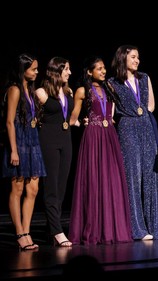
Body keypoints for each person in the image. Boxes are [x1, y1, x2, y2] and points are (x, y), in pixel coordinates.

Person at [68, 56, 133, 245]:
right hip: (93, 137)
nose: (103, 71)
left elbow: (110, 112)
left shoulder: (108, 88)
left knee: (111, 180)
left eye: (104, 68)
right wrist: (82, 122)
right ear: (89, 72)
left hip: (109, 136)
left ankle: (112, 229)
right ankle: (93, 229)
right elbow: (73, 117)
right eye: (99, 69)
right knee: (95, 180)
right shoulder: (83, 90)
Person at [108, 45, 158, 240]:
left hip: (146, 125)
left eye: (138, 57)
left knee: (150, 176)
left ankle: (152, 227)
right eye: (133, 57)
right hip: (128, 127)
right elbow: (111, 110)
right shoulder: (113, 82)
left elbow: (151, 106)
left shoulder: (144, 78)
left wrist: (141, 110)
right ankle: (137, 229)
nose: (137, 61)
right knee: (133, 177)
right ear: (123, 58)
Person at [1, 53, 46, 250]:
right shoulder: (14, 89)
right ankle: (19, 233)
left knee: (33, 189)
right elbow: (9, 122)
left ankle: (27, 232)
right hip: (19, 142)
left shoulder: (31, 90)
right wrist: (13, 150)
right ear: (23, 70)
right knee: (17, 188)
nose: (36, 72)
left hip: (33, 140)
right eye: (33, 69)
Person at [35, 57, 74, 246]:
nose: (69, 72)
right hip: (48, 142)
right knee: (51, 187)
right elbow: (33, 119)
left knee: (61, 188)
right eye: (66, 69)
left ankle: (52, 227)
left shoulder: (68, 92)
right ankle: (57, 231)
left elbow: (70, 117)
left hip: (66, 141)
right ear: (56, 70)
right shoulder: (41, 92)